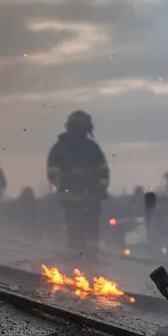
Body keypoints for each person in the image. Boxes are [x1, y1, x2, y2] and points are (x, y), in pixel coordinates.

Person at [46, 110, 110, 258]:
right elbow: (53, 172)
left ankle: (90, 257)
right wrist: (65, 183)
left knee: (90, 227)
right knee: (75, 226)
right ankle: (77, 258)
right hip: (73, 197)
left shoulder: (92, 148)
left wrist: (100, 188)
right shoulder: (60, 149)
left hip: (90, 197)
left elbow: (103, 171)